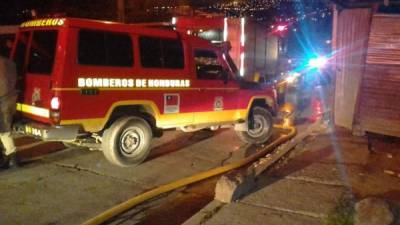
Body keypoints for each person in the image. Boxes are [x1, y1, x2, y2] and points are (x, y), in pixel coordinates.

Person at [0, 53, 18, 169]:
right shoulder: (9, 63)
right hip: (10, 99)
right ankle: (11, 158)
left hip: (2, 101)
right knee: (5, 130)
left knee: (3, 131)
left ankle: (11, 158)